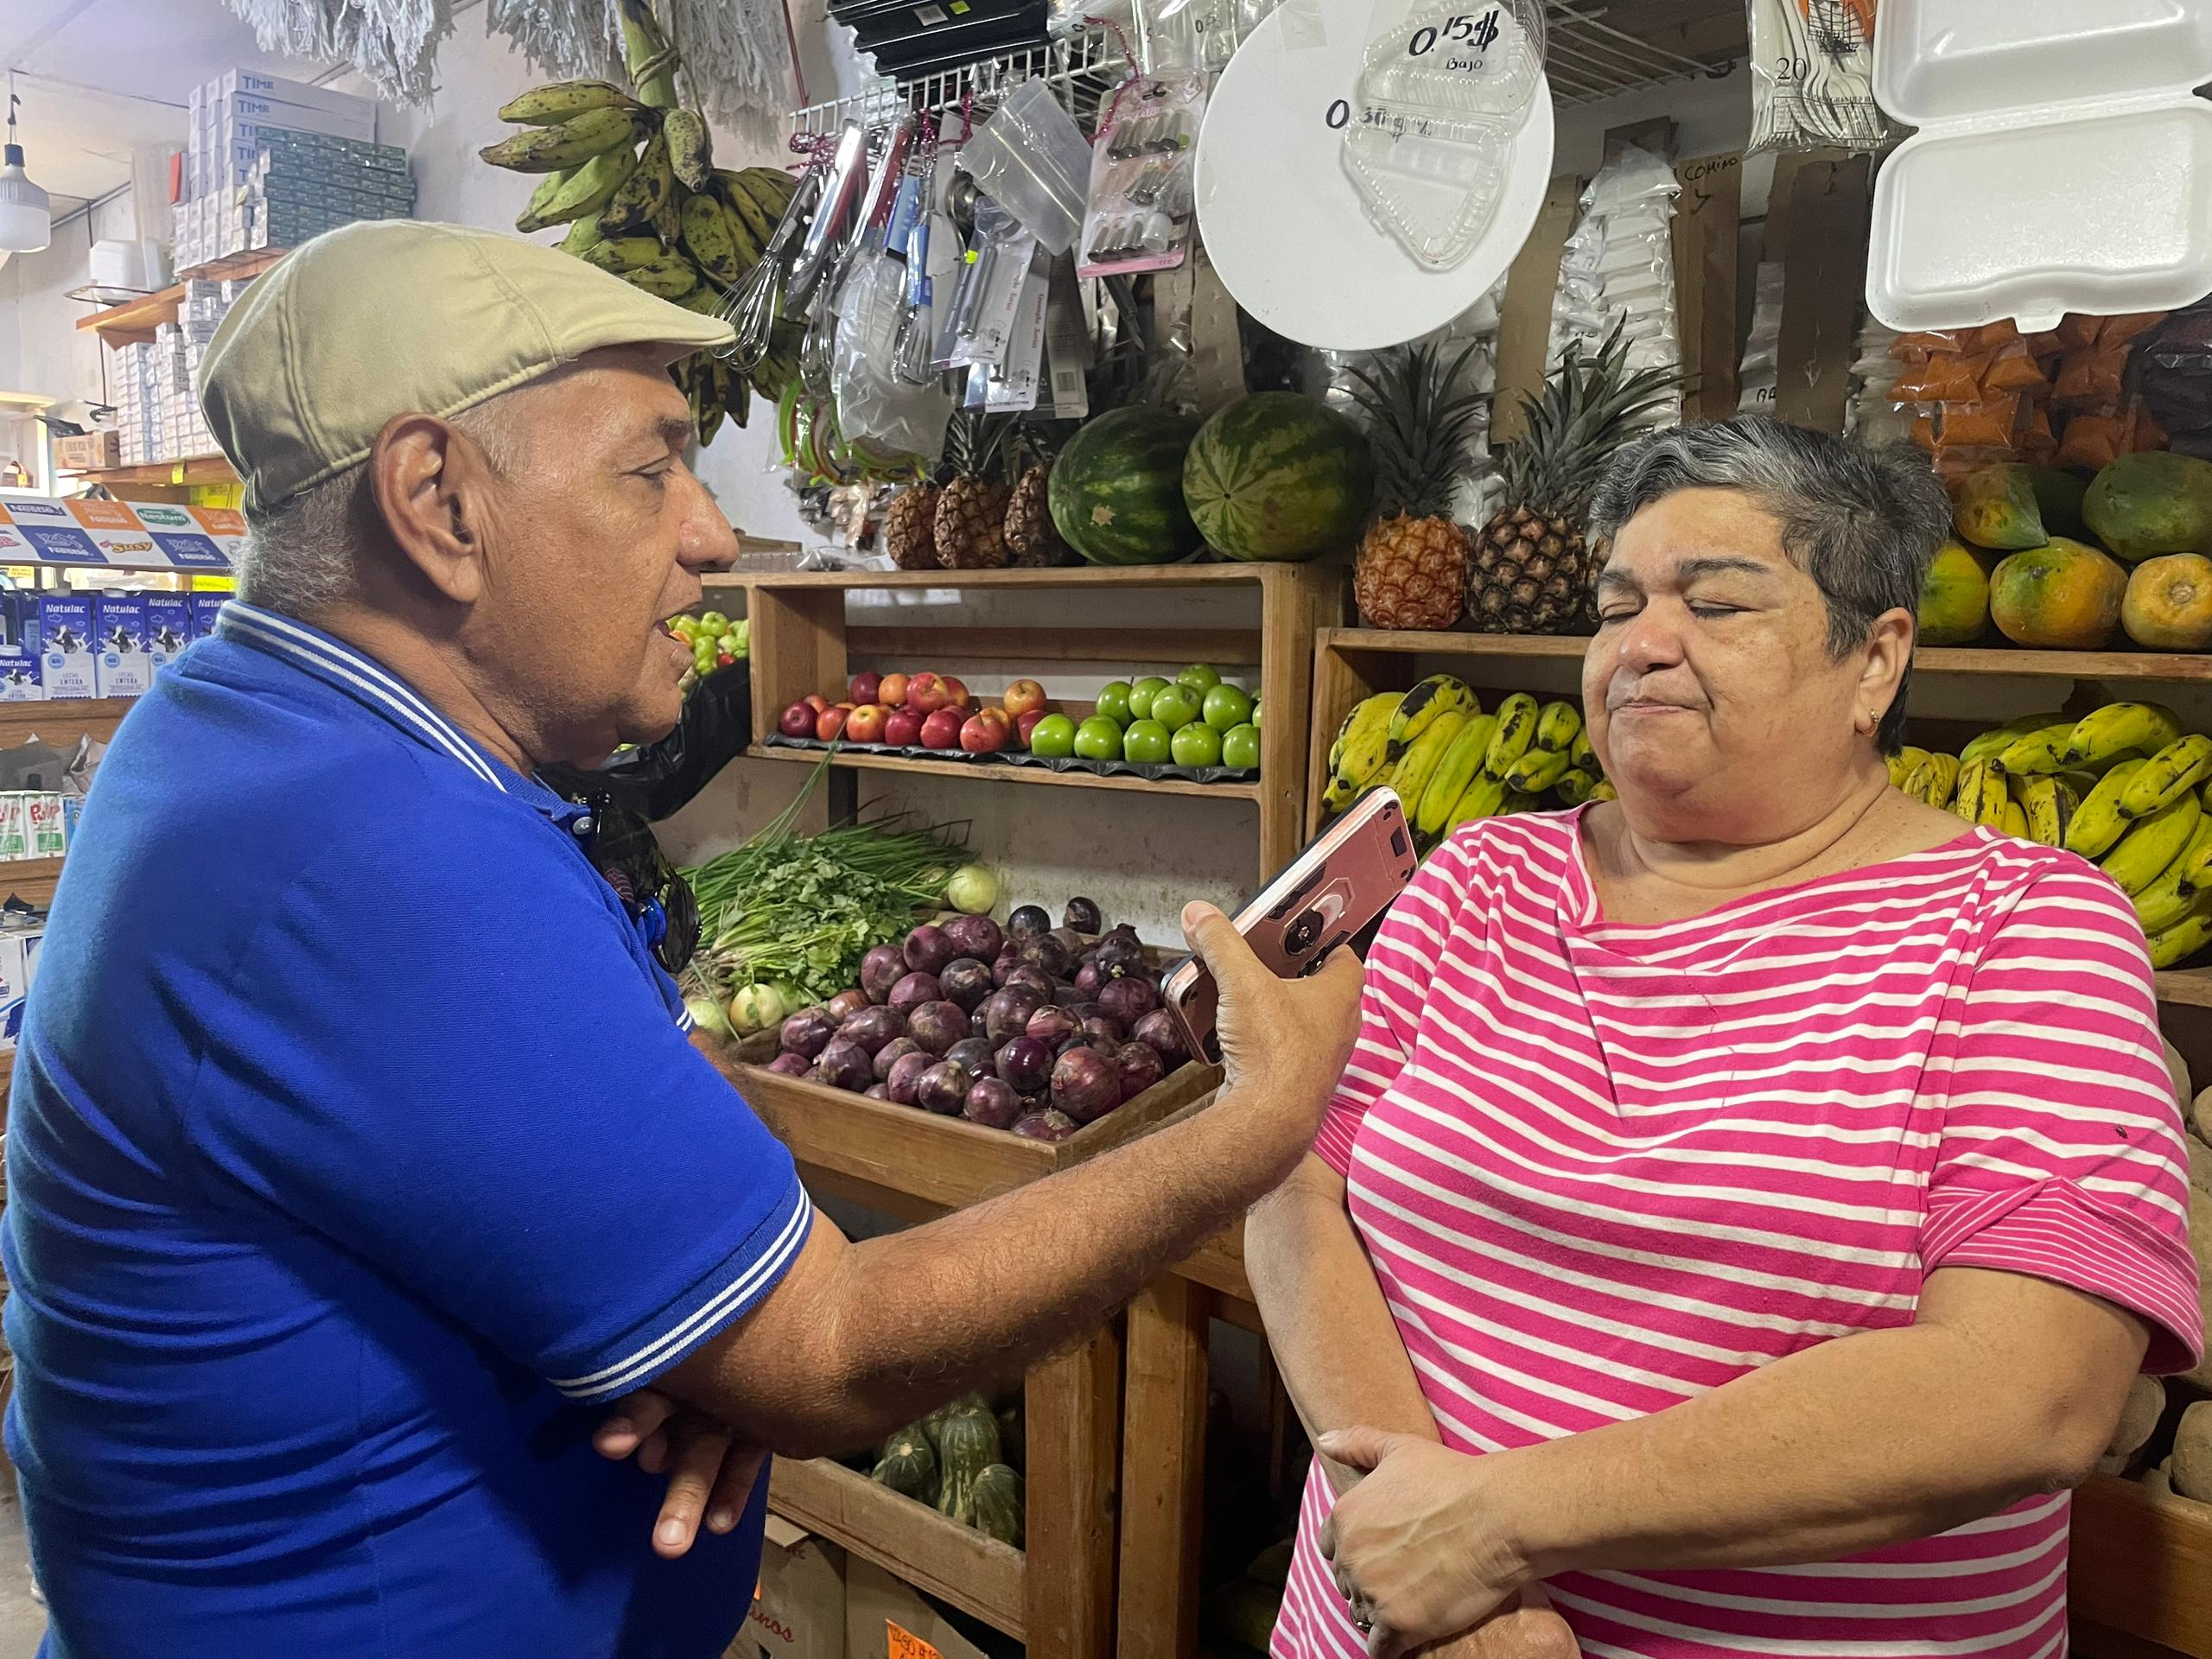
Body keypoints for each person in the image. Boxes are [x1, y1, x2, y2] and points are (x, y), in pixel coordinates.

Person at [2, 220, 1361, 1659]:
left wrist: (714, 1348)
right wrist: (1256, 1122)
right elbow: (830, 1355)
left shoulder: (249, 735)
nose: (711, 534)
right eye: (651, 469)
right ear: (436, 502)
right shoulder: (367, 849)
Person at [1246, 416, 2203, 1659]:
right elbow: (1294, 1184)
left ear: (1875, 662)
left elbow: (2035, 1391)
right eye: (1616, 605)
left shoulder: (2025, 925)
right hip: (1385, 1619)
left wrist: (1496, 1532)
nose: (1640, 646)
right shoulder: (1482, 875)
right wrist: (1418, 1547)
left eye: (1718, 604)